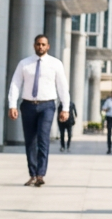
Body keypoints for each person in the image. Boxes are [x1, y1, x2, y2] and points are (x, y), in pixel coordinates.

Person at [8, 35, 71, 187]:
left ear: (48, 46)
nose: (40, 47)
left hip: (47, 105)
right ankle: (32, 174)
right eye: (38, 44)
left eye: (43, 44)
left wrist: (66, 108)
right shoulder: (24, 63)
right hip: (28, 105)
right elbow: (15, 84)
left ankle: (40, 174)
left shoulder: (55, 64)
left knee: (43, 139)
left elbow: (62, 86)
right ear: (34, 45)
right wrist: (12, 105)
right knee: (30, 141)